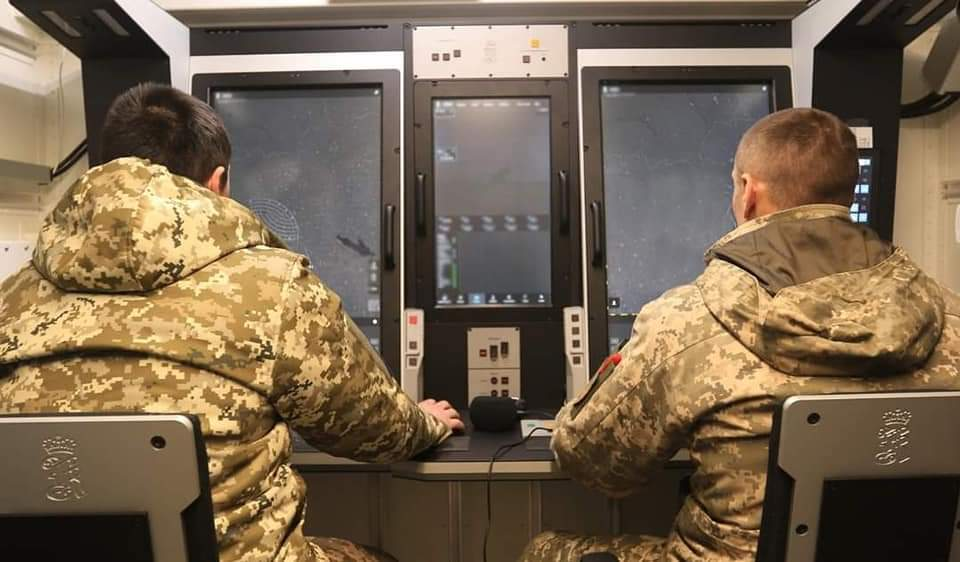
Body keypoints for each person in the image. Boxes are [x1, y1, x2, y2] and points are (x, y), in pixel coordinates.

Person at [0, 83, 464, 562]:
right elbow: (372, 429)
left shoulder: (11, 298)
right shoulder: (275, 288)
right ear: (218, 182)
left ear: (106, 170)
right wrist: (426, 423)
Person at [519, 108, 960, 562]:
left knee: (543, 549)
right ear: (848, 191)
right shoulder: (949, 313)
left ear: (748, 193)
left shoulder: (686, 320)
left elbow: (595, 463)